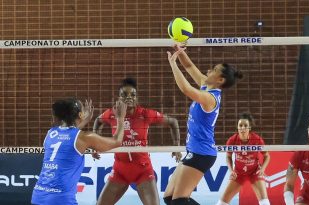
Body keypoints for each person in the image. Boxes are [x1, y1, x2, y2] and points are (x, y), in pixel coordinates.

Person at [163, 45, 243, 205]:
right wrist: (180, 51)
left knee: (178, 201)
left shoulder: (210, 99)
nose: (208, 70)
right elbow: (189, 66)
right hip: (194, 150)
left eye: (214, 70)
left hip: (201, 154)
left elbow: (186, 89)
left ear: (220, 80)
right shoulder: (206, 87)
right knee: (169, 198)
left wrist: (172, 63)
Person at [94, 78, 181, 205]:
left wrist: (176, 146)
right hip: (120, 171)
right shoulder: (112, 113)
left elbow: (173, 122)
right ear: (119, 97)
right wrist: (96, 144)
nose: (129, 98)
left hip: (143, 170)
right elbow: (98, 121)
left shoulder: (145, 114)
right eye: (124, 95)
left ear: (136, 98)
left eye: (133, 95)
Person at [31, 98, 127, 205]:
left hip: (38, 196)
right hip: (61, 200)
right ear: (80, 114)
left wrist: (84, 120)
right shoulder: (85, 137)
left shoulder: (51, 133)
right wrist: (120, 118)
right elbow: (117, 141)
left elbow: (69, 135)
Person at [216, 113, 270, 205]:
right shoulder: (232, 140)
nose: (243, 128)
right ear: (237, 127)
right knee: (222, 202)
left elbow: (267, 156)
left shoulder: (257, 140)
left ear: (249, 128)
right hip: (239, 173)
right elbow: (228, 156)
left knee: (264, 201)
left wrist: (262, 169)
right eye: (240, 125)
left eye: (245, 126)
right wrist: (231, 170)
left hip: (254, 172)